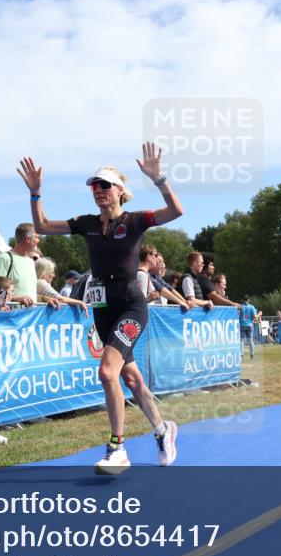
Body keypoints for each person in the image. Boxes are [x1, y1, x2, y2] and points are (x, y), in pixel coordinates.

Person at [20, 142, 182, 475]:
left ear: (121, 191)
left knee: (107, 372)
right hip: (103, 308)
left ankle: (117, 448)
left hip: (132, 305)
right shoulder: (88, 223)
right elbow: (43, 226)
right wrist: (36, 194)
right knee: (132, 379)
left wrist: (159, 178)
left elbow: (176, 212)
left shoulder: (136, 221)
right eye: (94, 186)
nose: (98, 191)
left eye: (105, 185)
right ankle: (163, 430)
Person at [0, 223, 38, 305]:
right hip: (11, 316)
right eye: (37, 237)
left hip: (31, 316)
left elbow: (31, 294)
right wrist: (17, 299)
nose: (38, 241)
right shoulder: (5, 259)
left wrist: (47, 298)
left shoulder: (31, 262)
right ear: (28, 239)